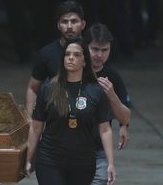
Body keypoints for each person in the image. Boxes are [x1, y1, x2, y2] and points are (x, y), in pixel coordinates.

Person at [25, 37, 116, 185]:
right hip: (50, 158)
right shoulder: (48, 88)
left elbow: (105, 129)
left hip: (83, 161)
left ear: (85, 61)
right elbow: (36, 127)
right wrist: (28, 159)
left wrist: (110, 163)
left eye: (76, 55)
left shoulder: (95, 91)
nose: (71, 58)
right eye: (67, 54)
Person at [84, 23, 131, 185]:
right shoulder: (72, 71)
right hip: (70, 144)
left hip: (99, 146)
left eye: (105, 50)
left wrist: (112, 96)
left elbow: (125, 116)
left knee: (102, 178)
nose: (99, 55)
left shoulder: (113, 76)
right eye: (95, 49)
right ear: (85, 47)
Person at [25, 0, 86, 117]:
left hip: (86, 117)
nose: (69, 26)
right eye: (64, 22)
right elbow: (33, 88)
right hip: (55, 118)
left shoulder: (91, 53)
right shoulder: (46, 53)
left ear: (83, 24)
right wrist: (29, 119)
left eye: (74, 21)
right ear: (58, 25)